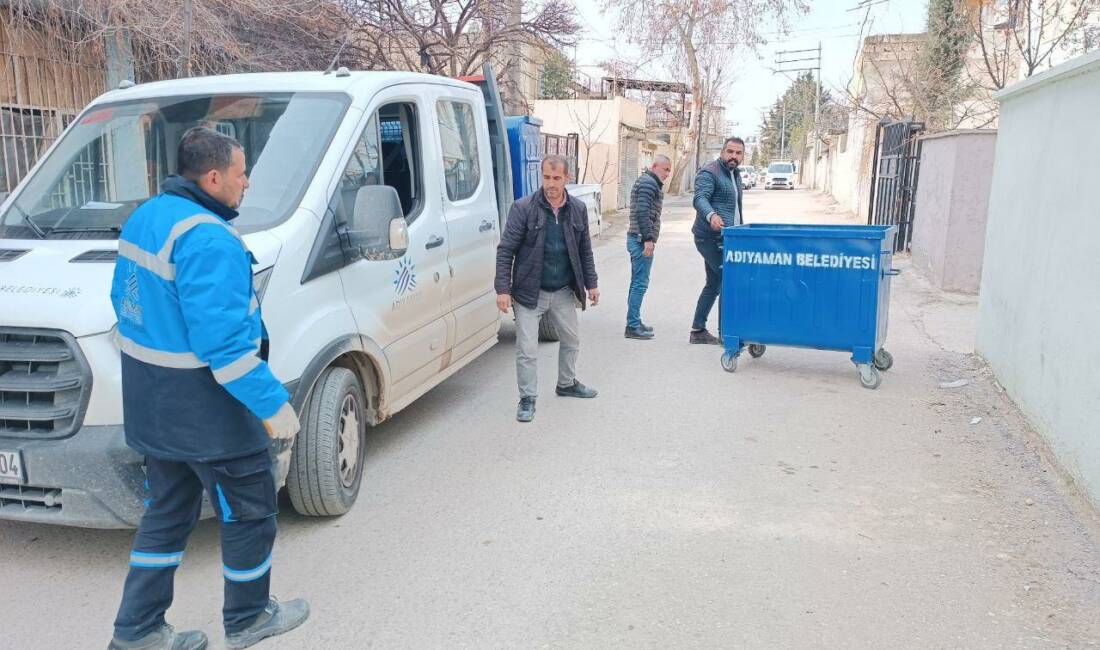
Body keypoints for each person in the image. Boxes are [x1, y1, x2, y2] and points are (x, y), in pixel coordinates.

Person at [108, 127, 309, 650]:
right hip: (208, 411)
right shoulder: (208, 238)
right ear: (214, 176)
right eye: (242, 174)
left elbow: (124, 305)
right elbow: (225, 348)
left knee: (167, 516)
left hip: (153, 404)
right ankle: (248, 619)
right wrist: (274, 406)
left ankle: (137, 631)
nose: (247, 183)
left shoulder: (147, 217)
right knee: (250, 510)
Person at [495, 155, 600, 423]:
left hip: (563, 289)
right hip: (530, 292)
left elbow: (585, 250)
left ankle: (566, 383)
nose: (550, 184)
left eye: (556, 178)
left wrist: (592, 284)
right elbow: (506, 250)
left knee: (571, 340)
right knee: (527, 349)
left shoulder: (576, 208)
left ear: (567, 178)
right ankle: (527, 398)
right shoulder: (523, 208)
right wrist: (503, 289)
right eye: (546, 177)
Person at [689, 136, 745, 345]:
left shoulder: (735, 174)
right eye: (730, 152)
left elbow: (736, 208)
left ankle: (698, 330)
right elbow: (700, 198)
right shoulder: (710, 172)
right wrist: (711, 215)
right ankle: (726, 333)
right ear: (723, 152)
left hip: (729, 238)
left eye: (738, 153)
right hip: (710, 238)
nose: (733, 156)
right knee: (729, 281)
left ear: (742, 156)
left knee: (713, 284)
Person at [624, 155, 671, 340]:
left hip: (638, 238)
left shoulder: (649, 182)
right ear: (654, 166)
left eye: (669, 170)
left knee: (637, 282)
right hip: (640, 239)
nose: (667, 173)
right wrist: (648, 239)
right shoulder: (648, 184)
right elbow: (642, 212)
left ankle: (634, 320)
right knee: (640, 284)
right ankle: (632, 326)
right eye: (665, 169)